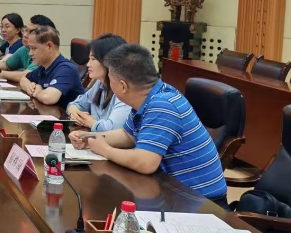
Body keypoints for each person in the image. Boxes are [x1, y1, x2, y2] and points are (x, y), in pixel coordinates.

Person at [70, 43, 228, 207]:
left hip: (202, 204)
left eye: (110, 78)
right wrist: (90, 138)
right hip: (172, 191)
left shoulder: (163, 105)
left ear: (123, 86)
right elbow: (127, 136)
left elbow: (145, 163)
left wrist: (105, 150)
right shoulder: (150, 96)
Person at [66, 34, 131, 132]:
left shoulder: (124, 89)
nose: (88, 64)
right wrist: (73, 112)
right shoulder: (99, 83)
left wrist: (91, 122)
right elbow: (77, 104)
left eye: (93, 59)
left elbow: (112, 129)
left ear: (109, 61)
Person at [19, 25, 83, 108]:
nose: (30, 53)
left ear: (49, 46)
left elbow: (48, 98)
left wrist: (37, 91)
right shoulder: (43, 67)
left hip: (67, 115)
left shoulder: (67, 69)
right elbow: (23, 79)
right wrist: (30, 87)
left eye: (34, 48)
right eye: (29, 49)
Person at [0, 15, 56, 83]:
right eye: (25, 30)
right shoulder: (24, 49)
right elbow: (6, 64)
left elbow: (27, 76)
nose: (25, 35)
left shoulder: (43, 54)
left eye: (31, 32)